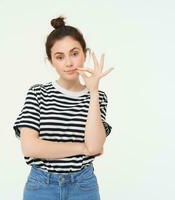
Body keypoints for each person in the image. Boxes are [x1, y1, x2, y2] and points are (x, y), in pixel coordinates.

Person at [13, 15, 114, 200]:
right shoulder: (38, 93)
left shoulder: (98, 97)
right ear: (51, 61)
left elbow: (95, 145)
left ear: (85, 53)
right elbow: (29, 147)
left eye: (74, 53)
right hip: (42, 185)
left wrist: (92, 91)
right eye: (60, 57)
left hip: (83, 185)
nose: (68, 63)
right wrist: (81, 148)